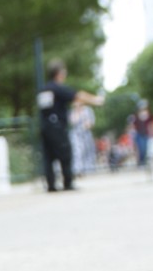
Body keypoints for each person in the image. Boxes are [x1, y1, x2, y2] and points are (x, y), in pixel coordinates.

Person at [37, 60, 104, 191]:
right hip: (57, 127)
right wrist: (96, 100)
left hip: (45, 126)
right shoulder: (57, 88)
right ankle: (68, 183)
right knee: (65, 154)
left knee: (48, 156)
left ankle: (51, 185)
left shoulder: (43, 90)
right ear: (59, 73)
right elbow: (78, 96)